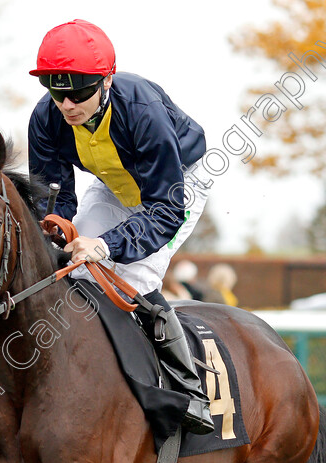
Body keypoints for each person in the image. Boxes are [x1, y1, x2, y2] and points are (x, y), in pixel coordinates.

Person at [28, 20, 214, 433]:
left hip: (177, 182)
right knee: (70, 266)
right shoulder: (46, 118)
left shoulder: (141, 110)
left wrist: (107, 244)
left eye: (79, 92)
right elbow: (52, 197)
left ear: (106, 80)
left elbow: (164, 208)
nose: (67, 104)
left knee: (132, 275)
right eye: (57, 92)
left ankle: (189, 390)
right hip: (114, 183)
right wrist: (57, 229)